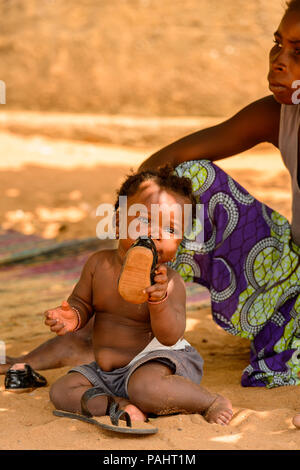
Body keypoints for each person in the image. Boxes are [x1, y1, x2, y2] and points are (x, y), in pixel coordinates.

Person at [1, 0, 300, 390]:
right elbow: (159, 167)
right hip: (288, 271)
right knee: (185, 182)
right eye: (278, 43)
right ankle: (104, 331)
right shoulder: (278, 114)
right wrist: (131, 233)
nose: (278, 60)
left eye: (298, 52)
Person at [45, 166, 233, 426]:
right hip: (107, 371)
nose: (155, 233)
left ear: (179, 244)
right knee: (62, 390)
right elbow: (82, 303)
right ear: (119, 222)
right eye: (144, 220)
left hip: (157, 363)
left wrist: (159, 301)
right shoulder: (98, 265)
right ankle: (120, 405)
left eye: (169, 229)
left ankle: (210, 401)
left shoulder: (169, 282)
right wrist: (72, 315)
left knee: (146, 388)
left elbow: (170, 337)